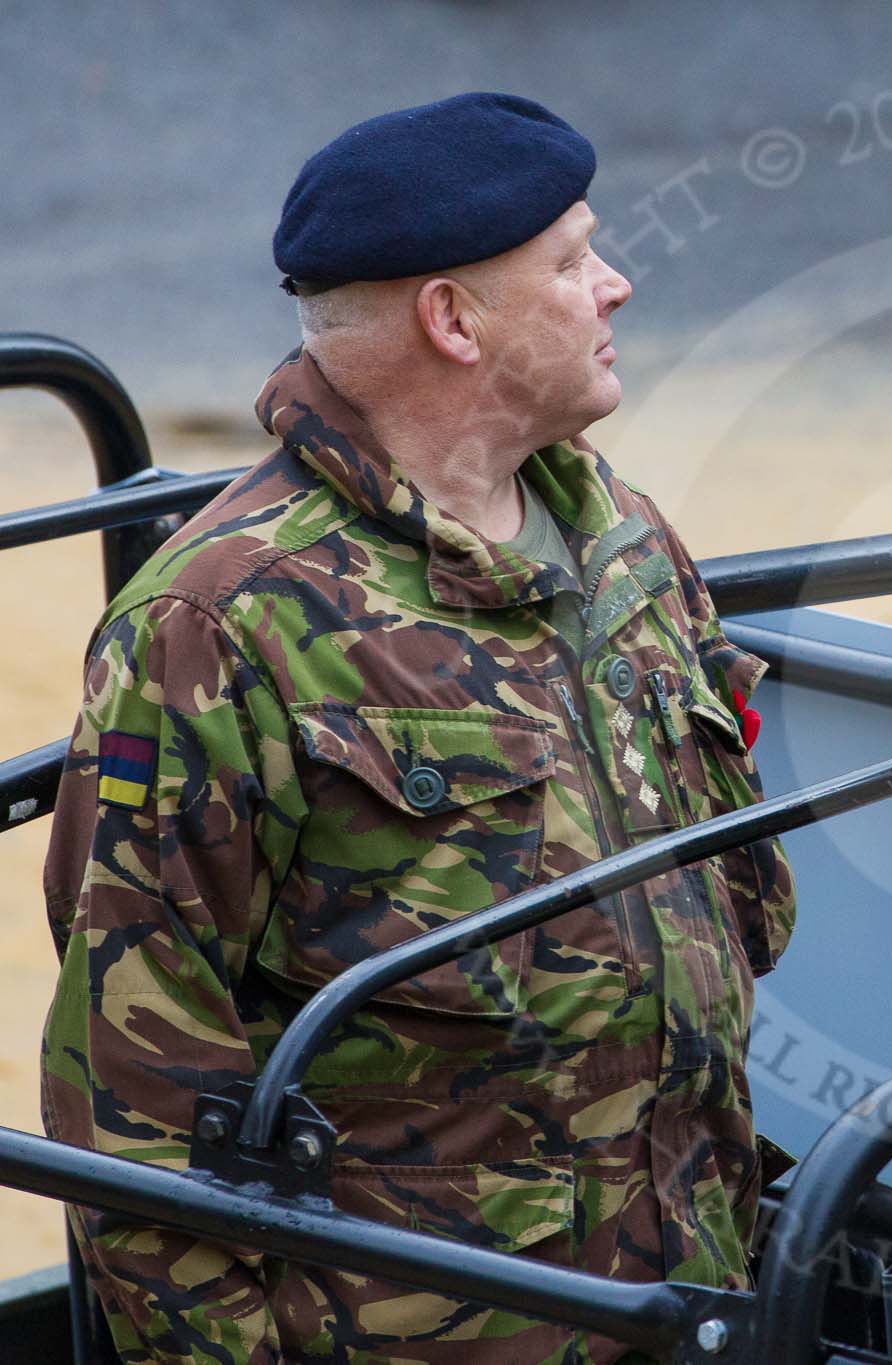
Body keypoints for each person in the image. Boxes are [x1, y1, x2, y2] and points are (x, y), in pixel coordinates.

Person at [40, 92, 795, 1364]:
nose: (613, 287)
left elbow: (737, 910)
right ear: (452, 319)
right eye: (570, 263)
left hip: (691, 1292)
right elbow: (135, 1099)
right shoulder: (227, 621)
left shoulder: (622, 538)